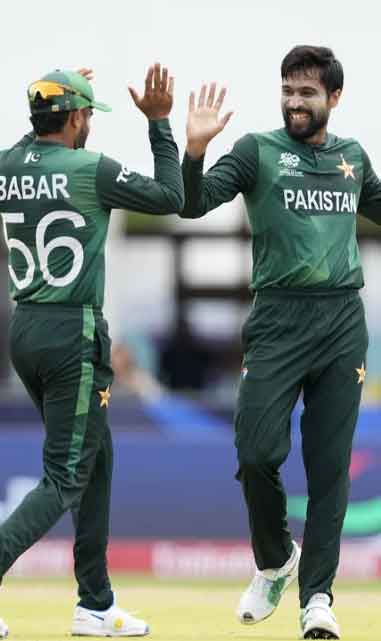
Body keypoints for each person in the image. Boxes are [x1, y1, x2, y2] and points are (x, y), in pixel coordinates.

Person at [180, 45, 381, 640]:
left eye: (307, 93)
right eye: (288, 91)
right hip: (276, 322)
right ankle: (274, 561)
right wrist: (194, 151)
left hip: (342, 322)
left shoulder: (352, 158)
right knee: (256, 452)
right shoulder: (258, 151)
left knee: (329, 471)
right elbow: (194, 204)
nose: (295, 103)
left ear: (334, 99)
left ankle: (317, 598)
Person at [0, 63, 183, 638]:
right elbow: (172, 195)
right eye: (86, 116)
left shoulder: (8, 166)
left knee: (94, 460)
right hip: (70, 333)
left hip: (25, 327)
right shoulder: (90, 168)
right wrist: (158, 123)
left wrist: (50, 94)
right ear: (77, 118)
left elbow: (27, 147)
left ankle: (95, 604)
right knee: (65, 475)